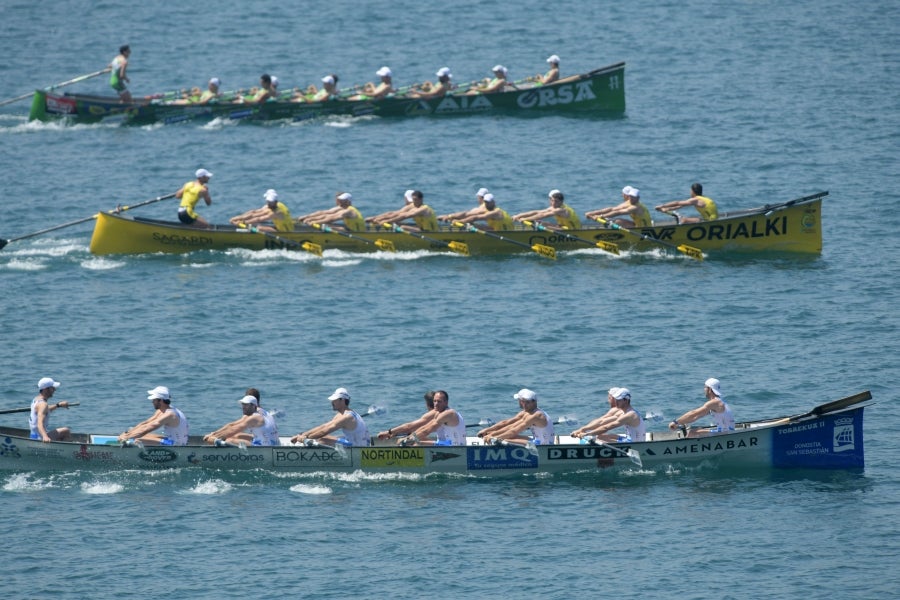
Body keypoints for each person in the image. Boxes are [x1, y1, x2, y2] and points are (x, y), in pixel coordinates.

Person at [290, 388, 370, 447]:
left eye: (334, 400)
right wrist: (302, 435)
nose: (332, 402)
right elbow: (323, 426)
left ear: (342, 400)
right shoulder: (342, 415)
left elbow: (323, 432)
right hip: (356, 442)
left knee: (321, 439)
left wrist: (303, 439)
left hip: (358, 447)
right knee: (323, 438)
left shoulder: (347, 417)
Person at [477, 389, 555, 446]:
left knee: (504, 439)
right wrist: (488, 431)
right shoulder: (527, 412)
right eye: (520, 401)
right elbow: (507, 423)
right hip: (537, 441)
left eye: (520, 401)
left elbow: (514, 431)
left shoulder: (537, 415)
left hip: (543, 445)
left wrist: (494, 437)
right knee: (505, 437)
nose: (520, 403)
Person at [118, 386, 189, 446]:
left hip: (176, 445)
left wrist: (127, 437)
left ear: (160, 400)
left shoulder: (170, 415)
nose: (152, 402)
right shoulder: (162, 410)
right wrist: (128, 433)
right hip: (170, 439)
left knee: (137, 439)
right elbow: (145, 423)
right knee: (134, 433)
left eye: (154, 400)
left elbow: (147, 429)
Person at [571, 387, 645, 443]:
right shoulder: (623, 412)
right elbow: (602, 422)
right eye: (616, 399)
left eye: (619, 400)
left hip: (634, 444)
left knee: (598, 439)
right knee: (601, 436)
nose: (616, 402)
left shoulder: (630, 415)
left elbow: (606, 427)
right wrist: (582, 430)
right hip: (629, 439)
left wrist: (587, 434)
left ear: (626, 400)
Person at [203, 393, 280, 446]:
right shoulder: (262, 411)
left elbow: (232, 431)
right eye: (242, 404)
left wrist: (213, 438)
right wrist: (214, 434)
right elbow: (232, 425)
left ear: (253, 406)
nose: (243, 407)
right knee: (237, 435)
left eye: (246, 405)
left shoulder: (254, 418)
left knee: (229, 440)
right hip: (273, 444)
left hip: (265, 448)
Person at [669, 378, 735, 437]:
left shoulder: (714, 403)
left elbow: (694, 413)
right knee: (695, 429)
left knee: (693, 433)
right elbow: (696, 417)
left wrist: (676, 422)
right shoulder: (719, 401)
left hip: (725, 433)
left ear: (709, 389)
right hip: (726, 431)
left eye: (705, 387)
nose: (704, 389)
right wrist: (682, 422)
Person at [398, 390, 466, 446]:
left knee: (415, 443)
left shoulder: (449, 413)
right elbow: (424, 428)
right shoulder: (438, 413)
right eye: (434, 401)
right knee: (417, 442)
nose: (436, 404)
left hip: (456, 448)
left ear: (446, 402)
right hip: (447, 444)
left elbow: (427, 431)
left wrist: (407, 440)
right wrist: (408, 438)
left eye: (439, 401)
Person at [367, 190, 438, 231]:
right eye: (413, 200)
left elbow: (405, 216)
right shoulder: (413, 205)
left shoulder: (424, 209)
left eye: (416, 200)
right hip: (420, 228)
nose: (414, 202)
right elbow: (395, 213)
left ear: (421, 199)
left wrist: (386, 221)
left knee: (403, 227)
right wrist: (376, 218)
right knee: (396, 223)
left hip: (429, 232)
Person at [585, 186, 652, 228]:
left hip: (644, 229)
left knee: (616, 221)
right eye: (630, 196)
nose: (631, 198)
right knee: (616, 221)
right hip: (637, 225)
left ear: (638, 198)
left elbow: (618, 212)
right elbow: (612, 209)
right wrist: (593, 213)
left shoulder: (636, 207)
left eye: (633, 197)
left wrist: (601, 216)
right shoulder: (630, 202)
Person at [513, 189, 582, 230]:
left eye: (556, 201)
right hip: (564, 227)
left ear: (561, 202)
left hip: (573, 231)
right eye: (552, 200)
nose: (553, 203)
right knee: (541, 223)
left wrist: (525, 219)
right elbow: (537, 212)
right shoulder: (554, 207)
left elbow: (543, 215)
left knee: (541, 224)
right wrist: (519, 215)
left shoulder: (561, 210)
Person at [229, 189, 293, 232]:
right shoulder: (274, 205)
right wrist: (236, 218)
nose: (268, 204)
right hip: (279, 227)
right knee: (255, 223)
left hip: (285, 232)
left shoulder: (277, 212)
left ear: (275, 202)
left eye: (270, 202)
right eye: (268, 201)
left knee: (259, 227)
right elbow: (253, 213)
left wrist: (243, 223)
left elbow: (259, 219)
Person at [28, 377, 71, 442]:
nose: (55, 390)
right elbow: (40, 423)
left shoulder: (36, 399)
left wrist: (58, 405)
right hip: (40, 438)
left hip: (34, 435)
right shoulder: (43, 404)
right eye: (52, 388)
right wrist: (45, 436)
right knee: (66, 431)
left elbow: (46, 410)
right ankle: (68, 451)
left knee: (63, 432)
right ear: (46, 389)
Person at [296, 192, 366, 231]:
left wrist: (314, 222)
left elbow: (331, 218)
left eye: (342, 200)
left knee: (326, 225)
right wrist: (308, 218)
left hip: (356, 232)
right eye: (339, 200)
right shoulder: (343, 208)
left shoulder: (349, 211)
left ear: (348, 201)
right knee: (325, 224)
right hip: (350, 229)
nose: (339, 202)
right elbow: (325, 213)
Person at [654, 183, 719, 224]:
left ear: (693, 192)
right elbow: (679, 206)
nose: (690, 193)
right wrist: (666, 209)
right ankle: (681, 221)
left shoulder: (696, 200)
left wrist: (662, 206)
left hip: (710, 222)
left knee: (687, 220)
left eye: (690, 191)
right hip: (715, 220)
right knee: (695, 219)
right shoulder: (703, 198)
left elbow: (677, 202)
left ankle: (681, 225)